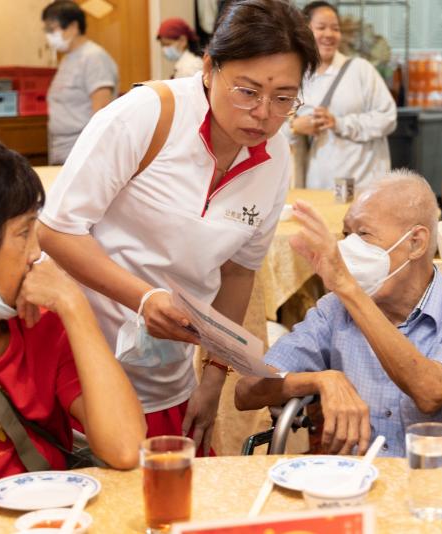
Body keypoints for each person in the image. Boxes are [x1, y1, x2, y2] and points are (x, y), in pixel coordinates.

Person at [38, 0, 319, 454]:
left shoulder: (276, 157)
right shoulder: (147, 116)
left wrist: (212, 378)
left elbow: (238, 272)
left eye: (284, 98)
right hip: (78, 360)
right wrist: (144, 298)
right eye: (247, 91)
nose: (264, 113)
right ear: (209, 68)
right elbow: (55, 231)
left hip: (167, 372)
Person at [0, 133, 145, 492]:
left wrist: (74, 305)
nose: (37, 253)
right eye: (23, 234)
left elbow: (126, 448)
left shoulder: (43, 322)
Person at [236, 171, 442, 462]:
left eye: (363, 234)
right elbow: (247, 391)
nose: (349, 247)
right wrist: (321, 380)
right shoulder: (334, 310)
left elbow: (430, 391)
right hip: (362, 486)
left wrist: (348, 289)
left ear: (415, 243)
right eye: (346, 234)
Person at [287, 1, 397, 190]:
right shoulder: (297, 77)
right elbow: (276, 125)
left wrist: (339, 123)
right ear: (305, 31)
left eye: (335, 29)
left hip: (363, 180)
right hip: (318, 182)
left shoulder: (361, 69)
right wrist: (294, 127)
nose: (329, 35)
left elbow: (387, 118)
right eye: (321, 28)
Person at [42, 0, 119, 165]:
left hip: (81, 152)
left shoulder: (94, 57)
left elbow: (101, 112)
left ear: (73, 27)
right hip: (61, 150)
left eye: (52, 28)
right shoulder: (68, 59)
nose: (48, 35)